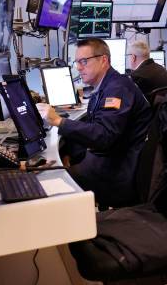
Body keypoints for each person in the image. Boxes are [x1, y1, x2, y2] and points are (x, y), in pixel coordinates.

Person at [37, 38, 152, 207]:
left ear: (103, 60)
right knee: (59, 167)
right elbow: (94, 128)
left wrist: (58, 121)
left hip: (119, 171)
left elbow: (103, 135)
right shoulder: (107, 86)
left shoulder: (117, 89)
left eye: (84, 61)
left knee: (53, 180)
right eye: (77, 62)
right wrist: (70, 153)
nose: (79, 67)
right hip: (114, 159)